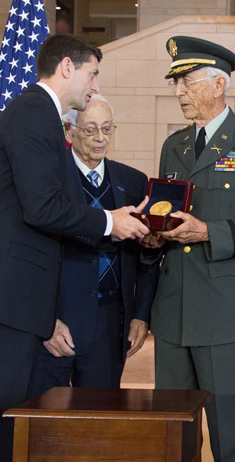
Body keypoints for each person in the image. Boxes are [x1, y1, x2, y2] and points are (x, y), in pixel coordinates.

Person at [142, 36, 235, 462]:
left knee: (231, 435)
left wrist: (207, 232)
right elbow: (167, 216)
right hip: (173, 315)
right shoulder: (175, 145)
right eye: (176, 84)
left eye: (187, 82)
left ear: (218, 85)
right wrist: (153, 237)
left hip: (228, 317)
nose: (178, 93)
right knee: (172, 432)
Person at [0, 34, 148, 462]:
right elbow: (43, 206)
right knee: (16, 419)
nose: (95, 85)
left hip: (28, 301)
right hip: (17, 299)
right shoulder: (33, 113)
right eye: (93, 73)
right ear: (68, 67)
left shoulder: (38, 113)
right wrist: (110, 222)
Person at [30, 95, 158, 396]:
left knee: (100, 419)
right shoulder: (48, 181)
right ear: (69, 131)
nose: (100, 139)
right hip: (57, 321)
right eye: (90, 130)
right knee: (47, 422)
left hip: (109, 321)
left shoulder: (133, 181)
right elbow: (32, 256)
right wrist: (45, 320)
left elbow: (145, 257)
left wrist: (141, 314)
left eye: (107, 128)